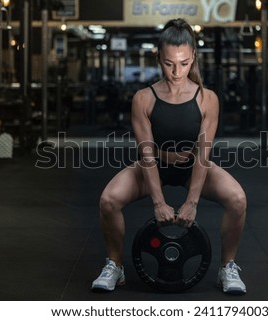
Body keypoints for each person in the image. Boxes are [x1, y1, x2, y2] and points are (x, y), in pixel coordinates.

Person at [91, 18, 247, 294]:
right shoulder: (144, 98)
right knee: (108, 200)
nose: (177, 71)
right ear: (158, 57)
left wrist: (192, 202)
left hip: (192, 166)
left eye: (184, 63)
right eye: (169, 63)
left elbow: (203, 154)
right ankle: (115, 266)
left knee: (237, 199)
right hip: (155, 166)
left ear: (193, 58)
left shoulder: (206, 98)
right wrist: (158, 202)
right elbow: (147, 153)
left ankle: (228, 267)